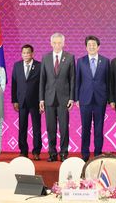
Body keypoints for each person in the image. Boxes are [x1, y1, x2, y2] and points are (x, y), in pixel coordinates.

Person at [39, 33, 75, 162]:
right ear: (51, 43)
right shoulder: (46, 58)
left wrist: (72, 98)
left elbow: (72, 79)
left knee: (64, 127)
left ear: (63, 44)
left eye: (59, 43)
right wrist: (41, 99)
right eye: (55, 43)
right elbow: (42, 80)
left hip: (64, 98)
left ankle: (64, 152)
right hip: (48, 98)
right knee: (50, 127)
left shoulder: (70, 57)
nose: (57, 45)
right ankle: (52, 153)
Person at [75, 36, 110, 162]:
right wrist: (76, 98)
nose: (91, 47)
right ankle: (84, 153)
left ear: (98, 46)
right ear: (86, 47)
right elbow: (77, 81)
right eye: (89, 45)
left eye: (94, 45)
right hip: (84, 99)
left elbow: (108, 81)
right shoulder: (80, 61)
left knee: (99, 128)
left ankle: (98, 153)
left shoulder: (105, 61)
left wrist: (109, 98)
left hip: (100, 99)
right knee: (85, 127)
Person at [11, 44, 42, 160]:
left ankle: (36, 151)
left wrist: (41, 101)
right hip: (21, 101)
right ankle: (23, 150)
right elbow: (14, 84)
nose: (26, 55)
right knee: (22, 126)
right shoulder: (17, 65)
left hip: (35, 102)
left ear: (32, 54)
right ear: (21, 54)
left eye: (28, 53)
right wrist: (14, 100)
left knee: (36, 127)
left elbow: (42, 85)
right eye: (23, 53)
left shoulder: (39, 66)